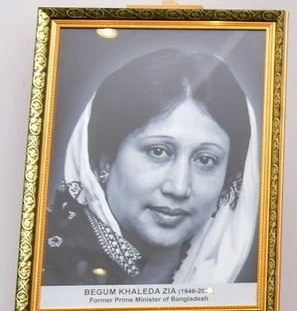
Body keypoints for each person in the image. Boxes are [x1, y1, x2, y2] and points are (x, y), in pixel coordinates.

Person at [41, 47, 260, 286]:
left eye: (205, 160)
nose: (178, 188)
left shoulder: (245, 282)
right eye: (158, 152)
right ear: (104, 159)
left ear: (229, 181)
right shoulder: (42, 268)